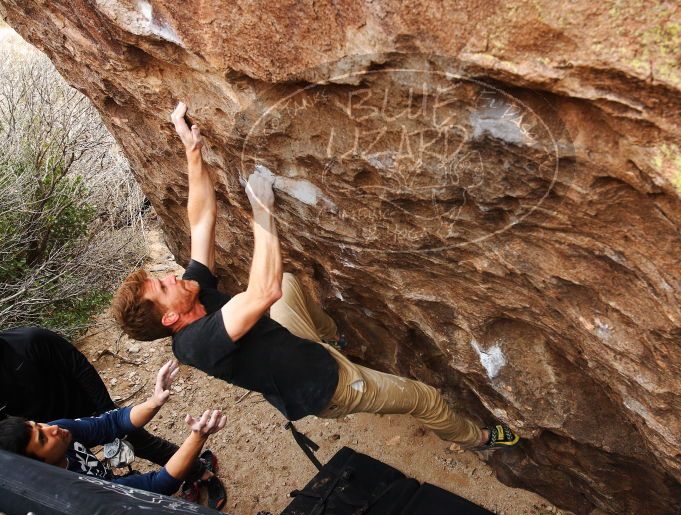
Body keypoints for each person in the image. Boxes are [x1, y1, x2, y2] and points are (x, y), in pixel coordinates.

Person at [111, 102, 519, 452]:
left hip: (295, 344)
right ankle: (479, 439)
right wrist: (263, 212)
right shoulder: (196, 343)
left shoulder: (194, 296)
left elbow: (201, 221)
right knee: (424, 398)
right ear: (170, 319)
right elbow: (261, 292)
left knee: (288, 284)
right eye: (164, 287)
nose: (172, 276)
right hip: (322, 383)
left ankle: (332, 339)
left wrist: (192, 150)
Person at [0, 327, 226, 508]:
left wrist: (149, 402)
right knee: (133, 491)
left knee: (141, 442)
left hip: (84, 412)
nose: (51, 429)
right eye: (42, 435)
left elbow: (82, 372)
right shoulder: (79, 490)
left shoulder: (27, 342)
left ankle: (201, 473)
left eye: (40, 427)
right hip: (52, 453)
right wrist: (197, 437)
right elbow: (157, 484)